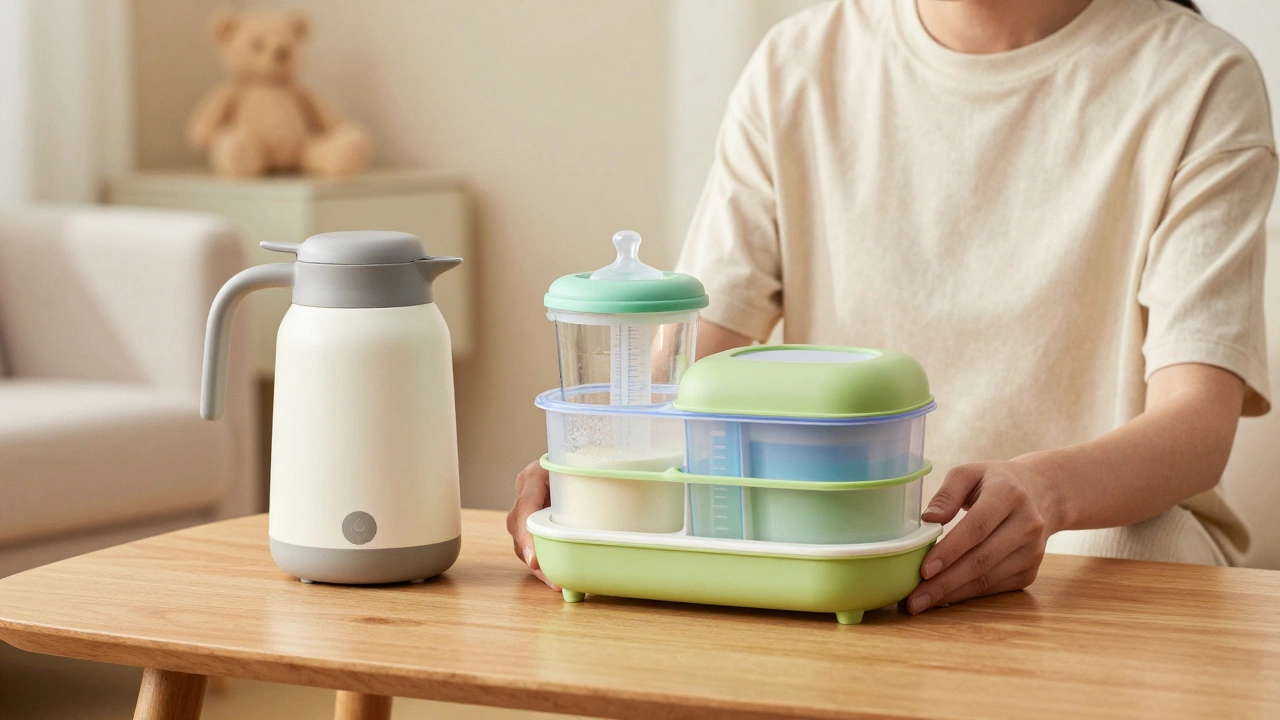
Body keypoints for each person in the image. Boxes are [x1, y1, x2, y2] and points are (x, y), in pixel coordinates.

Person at [508, 0, 1276, 615]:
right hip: (837, 543)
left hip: (1094, 538)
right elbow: (694, 362)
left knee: (1125, 549)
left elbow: (1197, 424)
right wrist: (604, 462)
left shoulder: (1197, 79)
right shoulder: (797, 66)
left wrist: (1045, 493)